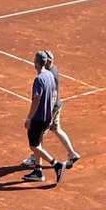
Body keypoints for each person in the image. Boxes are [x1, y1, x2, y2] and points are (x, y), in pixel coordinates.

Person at [24, 50, 81, 170]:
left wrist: (48, 113)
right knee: (56, 129)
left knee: (39, 136)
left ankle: (37, 158)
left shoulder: (49, 74)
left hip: (51, 108)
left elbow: (52, 95)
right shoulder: (51, 71)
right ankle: (72, 154)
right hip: (53, 107)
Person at [22, 51, 65, 184]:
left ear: (35, 63)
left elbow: (36, 100)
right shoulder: (50, 75)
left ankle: (56, 165)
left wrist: (29, 118)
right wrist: (51, 115)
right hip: (47, 117)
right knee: (38, 143)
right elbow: (54, 95)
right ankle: (38, 171)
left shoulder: (39, 79)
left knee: (34, 146)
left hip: (38, 118)